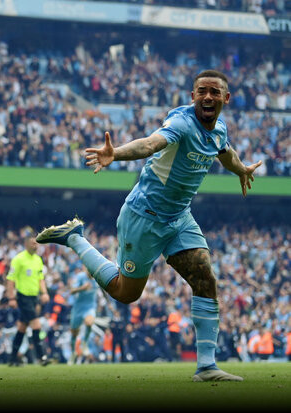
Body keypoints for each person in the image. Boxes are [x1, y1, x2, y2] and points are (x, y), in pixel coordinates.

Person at [36, 70, 262, 381]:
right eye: (201, 91)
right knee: (125, 293)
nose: (207, 96)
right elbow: (149, 144)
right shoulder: (181, 123)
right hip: (144, 217)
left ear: (226, 98)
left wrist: (241, 170)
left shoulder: (219, 129)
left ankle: (207, 367)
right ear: (193, 96)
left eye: (214, 92)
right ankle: (75, 239)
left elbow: (226, 154)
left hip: (180, 217)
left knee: (205, 278)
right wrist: (115, 154)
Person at [5, 236, 50, 366]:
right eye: (32, 243)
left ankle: (12, 359)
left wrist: (44, 293)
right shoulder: (19, 259)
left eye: (37, 242)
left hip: (34, 298)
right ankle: (42, 357)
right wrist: (11, 297)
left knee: (22, 328)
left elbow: (41, 278)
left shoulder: (38, 260)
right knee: (36, 325)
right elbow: (10, 279)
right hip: (23, 297)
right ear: (26, 244)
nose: (36, 245)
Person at [68, 265, 98, 365]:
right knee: (74, 333)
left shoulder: (98, 278)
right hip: (78, 308)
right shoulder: (80, 277)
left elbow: (103, 290)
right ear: (86, 269)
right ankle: (73, 353)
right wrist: (82, 288)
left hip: (90, 307)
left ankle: (84, 343)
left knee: (89, 322)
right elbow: (72, 291)